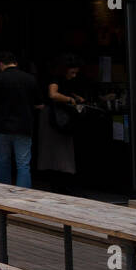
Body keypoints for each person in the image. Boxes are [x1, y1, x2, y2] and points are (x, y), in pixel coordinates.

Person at [0, 51, 43, 188]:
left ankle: (3, 193)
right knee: (23, 164)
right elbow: (40, 104)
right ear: (16, 63)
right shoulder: (30, 79)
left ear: (1, 64)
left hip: (2, 127)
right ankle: (22, 197)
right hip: (24, 127)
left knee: (4, 162)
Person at [37, 54, 83, 194]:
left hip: (58, 118)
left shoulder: (62, 80)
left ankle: (59, 183)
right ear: (65, 70)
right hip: (55, 118)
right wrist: (69, 99)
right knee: (57, 151)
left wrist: (75, 96)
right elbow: (53, 94)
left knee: (58, 152)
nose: (74, 75)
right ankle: (60, 183)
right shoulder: (55, 79)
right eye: (72, 72)